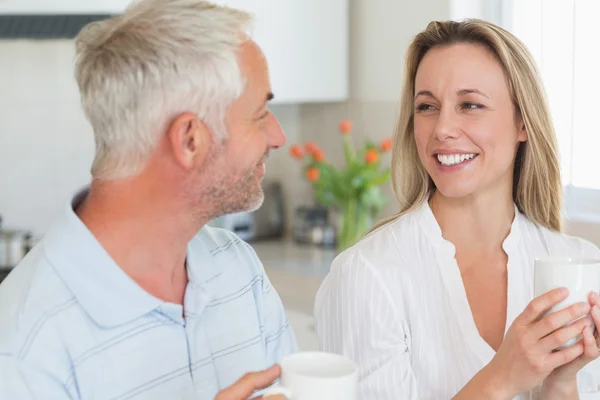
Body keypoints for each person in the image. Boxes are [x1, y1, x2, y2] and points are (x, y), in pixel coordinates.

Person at [0, 0, 296, 399]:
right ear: (190, 139)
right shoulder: (23, 349)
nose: (278, 136)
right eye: (261, 114)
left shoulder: (239, 270)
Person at [314, 19, 600, 399]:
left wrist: (561, 382)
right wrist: (503, 377)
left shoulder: (579, 266)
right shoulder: (367, 277)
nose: (442, 128)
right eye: (427, 106)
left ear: (523, 122)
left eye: (470, 104)